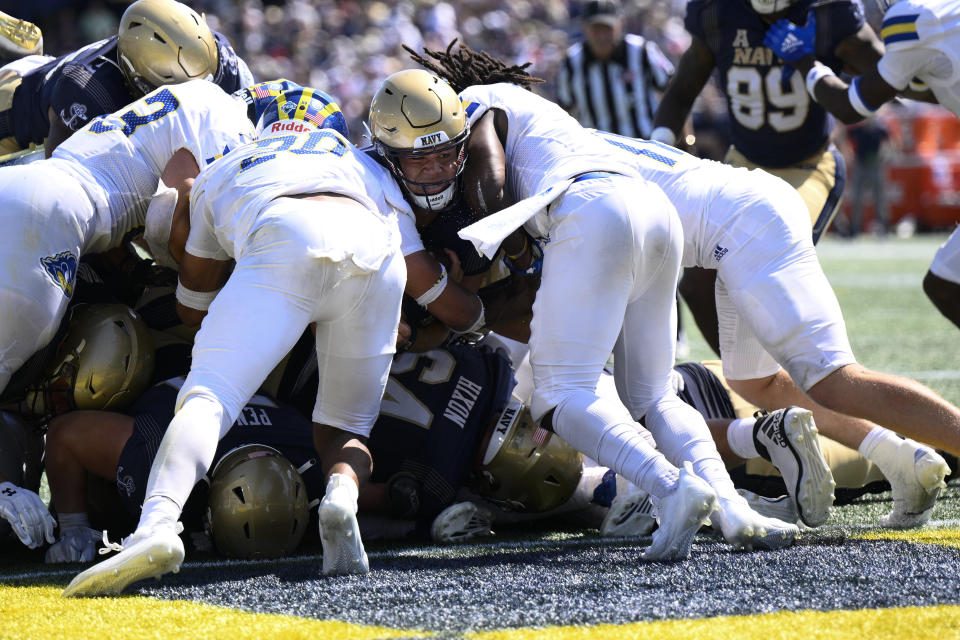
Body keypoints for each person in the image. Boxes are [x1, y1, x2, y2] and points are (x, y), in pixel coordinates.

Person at [411, 43, 800, 560]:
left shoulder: (480, 100)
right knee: (655, 395)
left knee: (559, 396)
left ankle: (669, 485)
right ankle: (731, 508)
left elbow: (490, 179)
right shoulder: (547, 119)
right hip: (653, 210)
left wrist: (514, 249)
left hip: (591, 207)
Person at [64, 87, 407, 596]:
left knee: (207, 399)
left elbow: (192, 304)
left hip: (283, 233)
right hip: (379, 255)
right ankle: (340, 498)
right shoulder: (362, 162)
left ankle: (156, 526)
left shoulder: (226, 165)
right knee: (344, 429)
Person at [589, 129, 954, 527]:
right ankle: (901, 459)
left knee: (835, 379)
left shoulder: (546, 160)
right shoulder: (565, 142)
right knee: (755, 382)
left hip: (745, 224)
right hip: (735, 220)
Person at [650, 0, 885, 354]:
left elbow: (885, 72)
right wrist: (658, 153)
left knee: (769, 266)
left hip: (808, 164)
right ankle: (752, 380)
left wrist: (821, 64)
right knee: (697, 281)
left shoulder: (827, 11)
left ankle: (820, 372)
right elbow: (681, 92)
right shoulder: (717, 11)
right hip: (744, 164)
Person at [0, 78, 254, 398]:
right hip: (53, 216)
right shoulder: (238, 127)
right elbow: (176, 199)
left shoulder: (197, 95)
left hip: (26, 184)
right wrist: (197, 290)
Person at [759, 0, 960, 331]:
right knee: (945, 280)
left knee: (945, 284)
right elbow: (937, 87)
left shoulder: (910, 18)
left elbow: (851, 108)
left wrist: (804, 60)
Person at [44, 375, 324, 563]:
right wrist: (75, 529)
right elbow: (63, 435)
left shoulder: (312, 459)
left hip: (228, 370)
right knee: (108, 504)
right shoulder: (160, 453)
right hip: (154, 370)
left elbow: (363, 491)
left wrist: (345, 493)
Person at [0, 0, 254, 157]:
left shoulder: (220, 59)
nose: (196, 103)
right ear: (136, 78)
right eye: (181, 94)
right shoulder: (90, 90)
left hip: (49, 76)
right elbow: (60, 183)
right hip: (13, 112)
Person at [556, 0, 675, 139]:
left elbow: (673, 93)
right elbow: (564, 110)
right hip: (596, 151)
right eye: (596, 29)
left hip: (645, 146)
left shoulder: (642, 51)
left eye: (607, 29)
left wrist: (682, 137)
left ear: (620, 24)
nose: (602, 36)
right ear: (584, 27)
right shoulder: (571, 62)